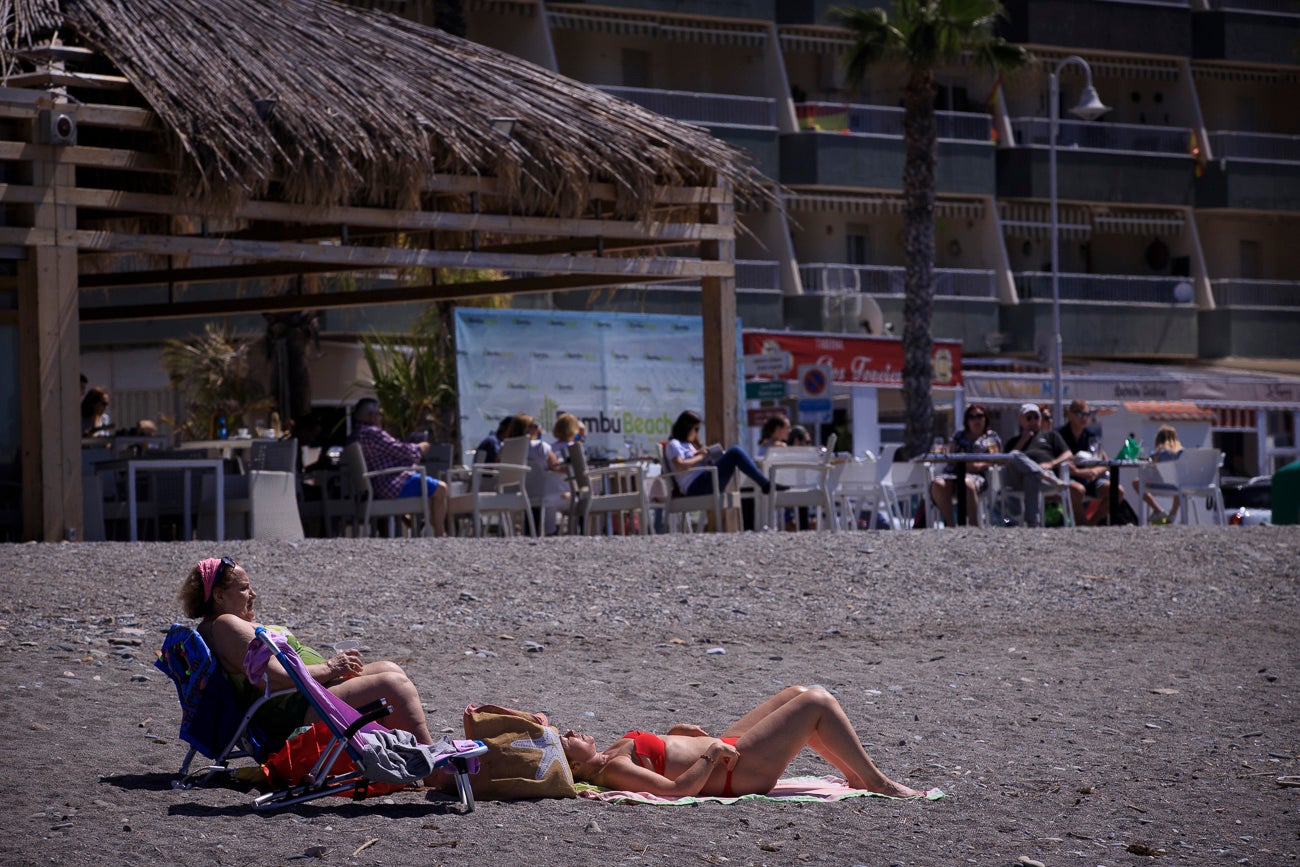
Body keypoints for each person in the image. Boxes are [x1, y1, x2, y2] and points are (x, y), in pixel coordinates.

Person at [178, 557, 447, 784]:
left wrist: (330, 670)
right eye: (245, 589)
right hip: (290, 709)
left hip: (299, 695)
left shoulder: (222, 624)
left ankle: (414, 753)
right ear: (219, 596)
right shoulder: (225, 625)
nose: (253, 594)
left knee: (391, 668)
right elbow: (276, 677)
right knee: (393, 687)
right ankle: (433, 771)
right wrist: (331, 667)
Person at [560, 685, 924, 799]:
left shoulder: (609, 754)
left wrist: (675, 732)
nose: (573, 732)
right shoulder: (615, 771)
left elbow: (664, 757)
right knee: (816, 702)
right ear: (574, 766)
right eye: (567, 740)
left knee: (795, 694)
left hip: (727, 749)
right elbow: (675, 790)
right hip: (736, 770)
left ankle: (855, 775)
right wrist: (710, 754)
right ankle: (879, 782)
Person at [349, 398, 447, 536]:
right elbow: (400, 450)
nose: (380, 418)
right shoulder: (372, 432)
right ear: (371, 416)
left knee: (429, 492)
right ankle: (440, 534)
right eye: (379, 414)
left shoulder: (355, 435)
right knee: (440, 488)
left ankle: (430, 531)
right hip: (390, 484)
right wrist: (419, 448)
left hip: (376, 486)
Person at [665, 410, 777, 497]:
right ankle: (765, 484)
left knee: (730, 455)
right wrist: (700, 457)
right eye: (696, 429)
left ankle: (765, 483)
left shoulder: (689, 445)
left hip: (705, 480)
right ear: (687, 428)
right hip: (695, 486)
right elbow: (680, 465)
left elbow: (698, 460)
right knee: (735, 452)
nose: (697, 433)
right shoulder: (674, 444)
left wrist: (703, 450)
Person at [929, 403, 1001, 527]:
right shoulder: (959, 436)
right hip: (953, 472)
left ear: (985, 418)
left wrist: (979, 465)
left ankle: (973, 526)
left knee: (967, 483)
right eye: (971, 417)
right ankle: (950, 525)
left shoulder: (989, 437)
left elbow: (997, 458)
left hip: (976, 475)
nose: (976, 420)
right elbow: (949, 453)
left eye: (979, 416)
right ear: (967, 421)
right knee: (938, 484)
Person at [1004, 402, 1072, 528]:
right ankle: (1044, 476)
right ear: (1021, 420)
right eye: (1029, 418)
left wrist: (1052, 463)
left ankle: (1032, 523)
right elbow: (1006, 462)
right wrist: (1023, 440)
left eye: (1036, 417)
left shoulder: (1051, 436)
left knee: (1031, 477)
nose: (1033, 421)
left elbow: (1068, 454)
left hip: (1044, 479)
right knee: (1014, 454)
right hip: (1024, 480)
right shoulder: (1013, 441)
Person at [1058, 398, 1125, 526]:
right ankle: (1082, 527)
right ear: (1070, 415)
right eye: (1080, 414)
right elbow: (1061, 466)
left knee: (1117, 491)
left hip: (1090, 479)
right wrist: (1080, 472)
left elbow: (1106, 462)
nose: (1084, 418)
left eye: (1087, 414)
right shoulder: (1060, 435)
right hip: (1070, 479)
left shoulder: (1091, 435)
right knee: (1077, 490)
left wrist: (1094, 471)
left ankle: (1091, 524)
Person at [1136, 424, 1184, 524]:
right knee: (1181, 482)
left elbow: (1149, 472)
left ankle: (1158, 510)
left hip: (1159, 485)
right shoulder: (1182, 453)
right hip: (1178, 487)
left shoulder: (1155, 454)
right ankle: (1173, 514)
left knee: (1136, 482)